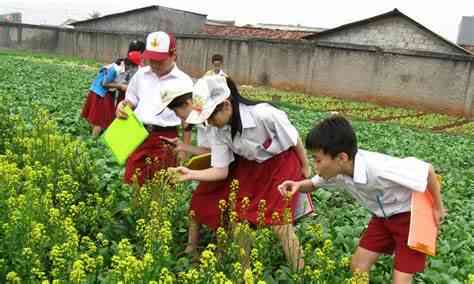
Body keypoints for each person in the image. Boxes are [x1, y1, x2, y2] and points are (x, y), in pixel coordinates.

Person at [278, 115, 446, 284]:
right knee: (358, 265)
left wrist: (438, 208)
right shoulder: (340, 171)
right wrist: (298, 185)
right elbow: (314, 184)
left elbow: (428, 171)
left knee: (401, 279)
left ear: (341, 158)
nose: (315, 165)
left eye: (318, 159)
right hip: (382, 217)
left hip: (410, 218)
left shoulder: (378, 169)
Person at [171, 75, 311, 270]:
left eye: (211, 117)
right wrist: (190, 174)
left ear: (227, 106)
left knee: (280, 225)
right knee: (239, 221)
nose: (209, 123)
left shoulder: (264, 114)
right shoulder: (219, 130)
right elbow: (220, 170)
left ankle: (300, 273)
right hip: (251, 168)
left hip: (282, 164)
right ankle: (245, 274)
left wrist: (305, 167)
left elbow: (294, 139)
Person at [116, 31, 193, 185]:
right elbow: (131, 99)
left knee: (161, 188)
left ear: (173, 55)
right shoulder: (141, 75)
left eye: (160, 60)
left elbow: (188, 121)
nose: (155, 64)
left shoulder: (184, 81)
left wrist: (184, 148)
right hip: (137, 135)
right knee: (132, 182)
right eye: (151, 59)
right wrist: (122, 106)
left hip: (166, 139)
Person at [81, 58, 123, 138]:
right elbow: (104, 83)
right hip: (100, 94)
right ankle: (93, 140)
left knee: (95, 116)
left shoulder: (112, 66)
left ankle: (93, 135)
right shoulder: (114, 69)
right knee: (100, 119)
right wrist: (120, 86)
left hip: (95, 91)